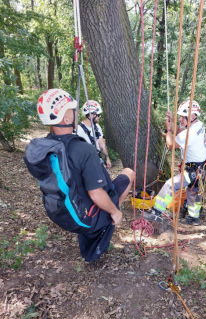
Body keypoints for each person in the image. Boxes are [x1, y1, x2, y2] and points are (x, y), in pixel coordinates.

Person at [35, 89, 134, 261]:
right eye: (73, 110)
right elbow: (95, 194)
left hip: (62, 213)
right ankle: (110, 215)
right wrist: (115, 212)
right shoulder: (82, 149)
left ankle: (106, 214)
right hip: (87, 216)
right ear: (66, 119)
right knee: (129, 173)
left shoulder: (44, 146)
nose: (76, 114)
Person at [144, 100, 206, 226]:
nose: (180, 119)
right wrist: (171, 120)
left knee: (170, 185)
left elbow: (171, 144)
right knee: (192, 192)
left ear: (192, 116)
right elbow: (178, 131)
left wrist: (168, 130)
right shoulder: (198, 125)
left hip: (193, 170)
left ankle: (157, 211)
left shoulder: (191, 132)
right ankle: (194, 218)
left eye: (183, 117)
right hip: (200, 168)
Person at [77, 100, 112, 169]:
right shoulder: (79, 130)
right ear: (91, 115)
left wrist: (107, 158)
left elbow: (101, 143)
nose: (100, 116)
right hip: (87, 165)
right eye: (98, 114)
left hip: (97, 161)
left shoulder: (97, 127)